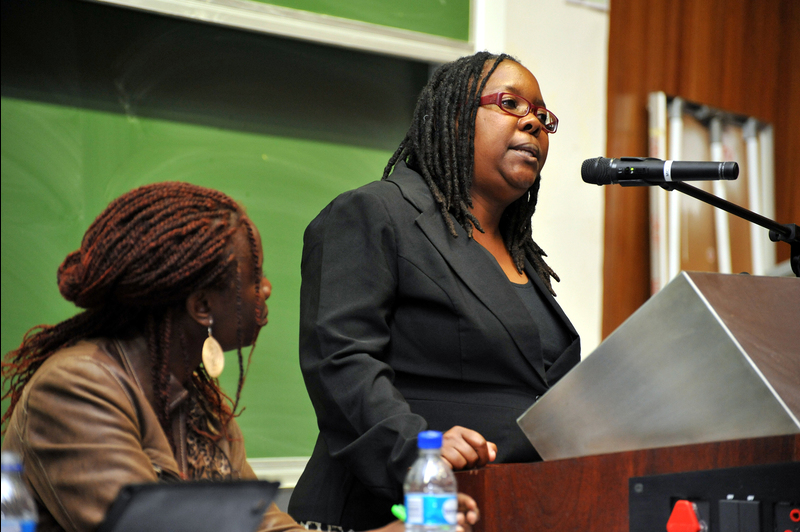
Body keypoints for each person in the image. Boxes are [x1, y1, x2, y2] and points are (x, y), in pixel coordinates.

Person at [0, 182, 479, 532]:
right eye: (253, 279)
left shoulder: (198, 403)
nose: (265, 289)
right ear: (202, 306)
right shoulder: (77, 387)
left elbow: (267, 530)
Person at [289, 52, 581, 530]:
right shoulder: (375, 213)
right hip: (391, 511)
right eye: (511, 103)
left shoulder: (521, 253)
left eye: (543, 117)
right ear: (455, 116)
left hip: (505, 506)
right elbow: (341, 361)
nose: (533, 122)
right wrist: (417, 452)